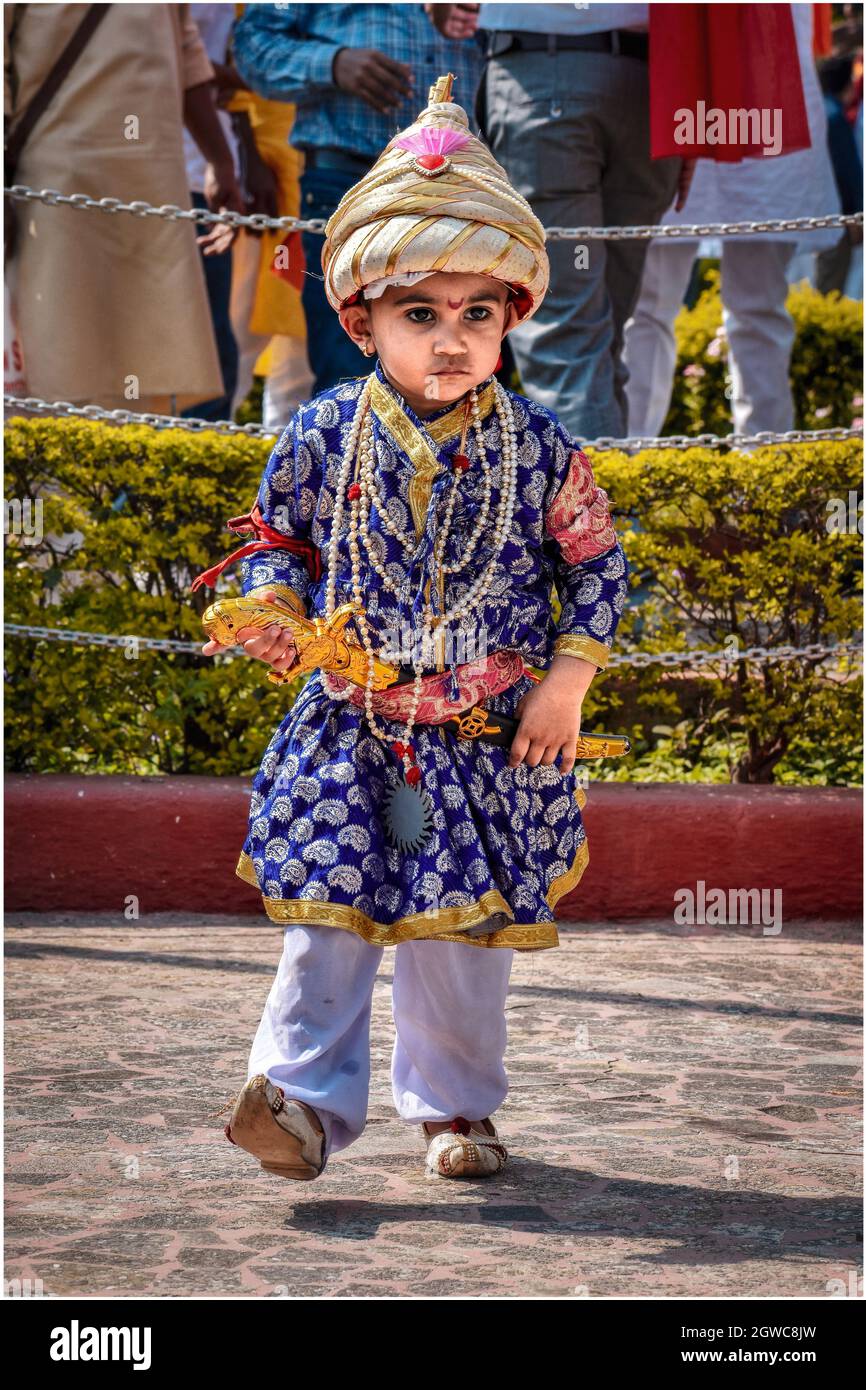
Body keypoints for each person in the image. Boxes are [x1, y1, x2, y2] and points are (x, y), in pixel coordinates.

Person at [195, 75, 629, 1181]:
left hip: (485, 736)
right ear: (361, 322)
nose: (451, 338)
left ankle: (455, 1115)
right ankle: (297, 1105)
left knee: (463, 941)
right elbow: (276, 545)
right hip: (350, 722)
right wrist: (273, 609)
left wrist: (564, 685)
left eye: (477, 312)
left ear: (511, 317)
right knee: (326, 925)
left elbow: (596, 567)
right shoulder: (318, 433)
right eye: (420, 314)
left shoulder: (540, 447)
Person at [429, 2, 688, 440]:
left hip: (546, 77)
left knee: (567, 332)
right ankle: (610, 479)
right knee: (601, 329)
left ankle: (588, 485)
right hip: (649, 83)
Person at [232, 3, 484, 396]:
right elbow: (252, 47)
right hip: (348, 183)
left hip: (464, 189)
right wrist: (333, 64)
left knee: (461, 369)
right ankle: (351, 439)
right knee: (349, 368)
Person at [4, 3, 239, 414]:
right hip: (56, 181)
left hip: (151, 186)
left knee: (147, 355)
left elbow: (186, 52)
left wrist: (220, 162)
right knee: (58, 348)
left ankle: (125, 451)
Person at [623, 2, 842, 439]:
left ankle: (762, 465)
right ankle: (629, 463)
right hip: (675, 81)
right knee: (646, 306)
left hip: (767, 85)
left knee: (759, 304)